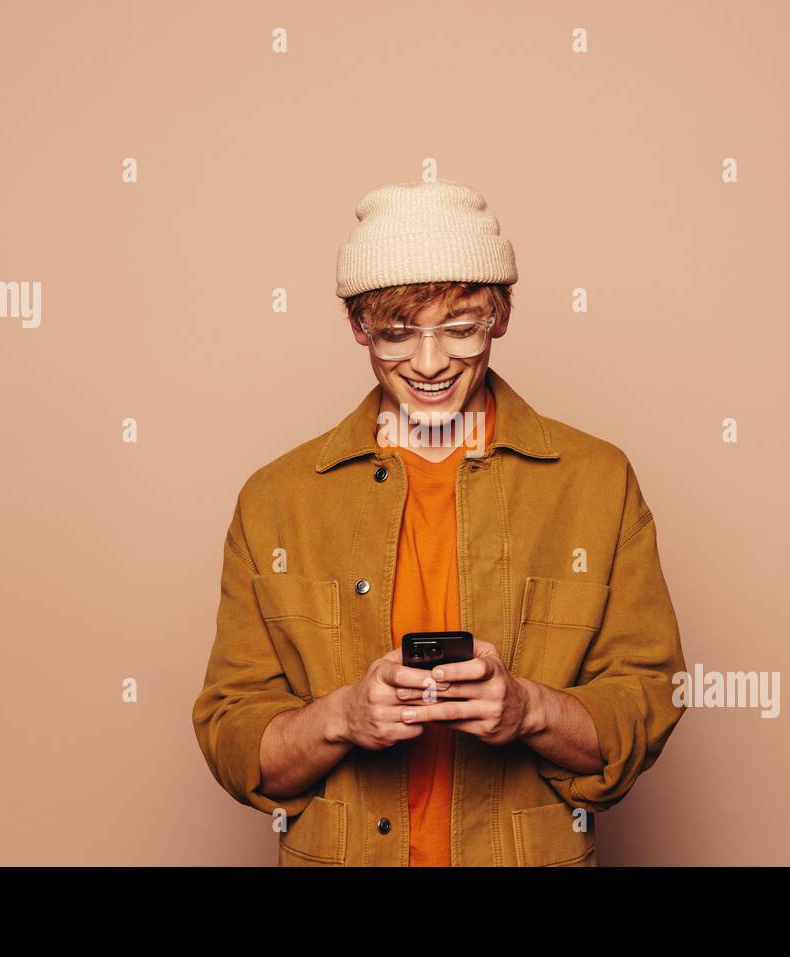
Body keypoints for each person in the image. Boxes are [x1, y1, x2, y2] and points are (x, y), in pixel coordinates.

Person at [192, 178, 687, 866]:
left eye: (461, 328)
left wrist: (527, 708)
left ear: (502, 315)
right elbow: (231, 736)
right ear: (358, 326)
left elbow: (648, 701)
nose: (430, 364)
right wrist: (341, 717)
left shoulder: (597, 483)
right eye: (396, 334)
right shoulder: (275, 500)